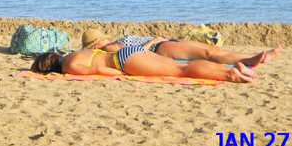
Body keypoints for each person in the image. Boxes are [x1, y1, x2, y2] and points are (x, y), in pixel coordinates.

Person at [30, 46, 259, 83]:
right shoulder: (75, 52)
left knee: (181, 71)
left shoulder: (69, 66)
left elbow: (99, 70)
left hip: (124, 61)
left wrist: (122, 74)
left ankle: (231, 75)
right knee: (180, 64)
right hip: (127, 52)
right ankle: (237, 67)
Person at [80, 28, 281, 67]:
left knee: (211, 50)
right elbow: (134, 53)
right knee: (208, 53)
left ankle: (253, 56)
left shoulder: (114, 42)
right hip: (160, 49)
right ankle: (250, 59)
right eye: (99, 40)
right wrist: (153, 41)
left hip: (164, 42)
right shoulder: (108, 49)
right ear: (96, 44)